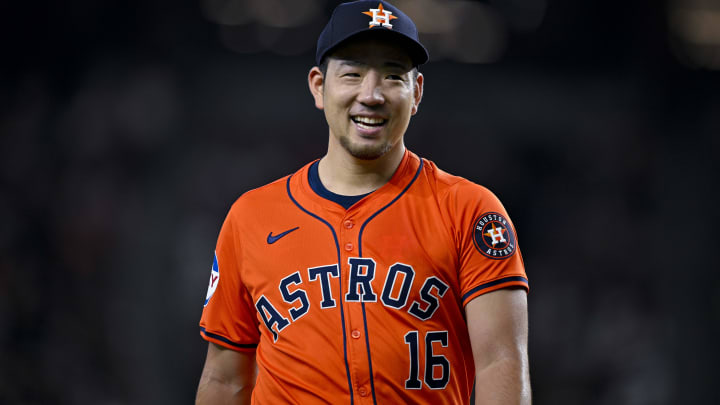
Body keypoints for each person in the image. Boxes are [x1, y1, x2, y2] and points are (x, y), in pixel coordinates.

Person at [195, 1, 530, 404]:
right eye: (352, 74)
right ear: (319, 86)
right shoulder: (250, 217)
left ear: (417, 92)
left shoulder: (470, 210)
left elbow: (501, 363)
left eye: (392, 76)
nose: (370, 95)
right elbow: (224, 380)